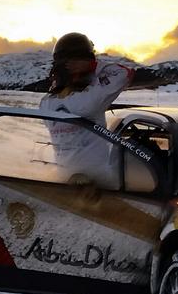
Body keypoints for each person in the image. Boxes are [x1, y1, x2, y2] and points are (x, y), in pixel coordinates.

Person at [40, 32, 134, 188]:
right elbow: (124, 73)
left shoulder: (46, 103)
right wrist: (92, 66)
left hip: (63, 182)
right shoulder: (89, 100)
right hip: (99, 186)